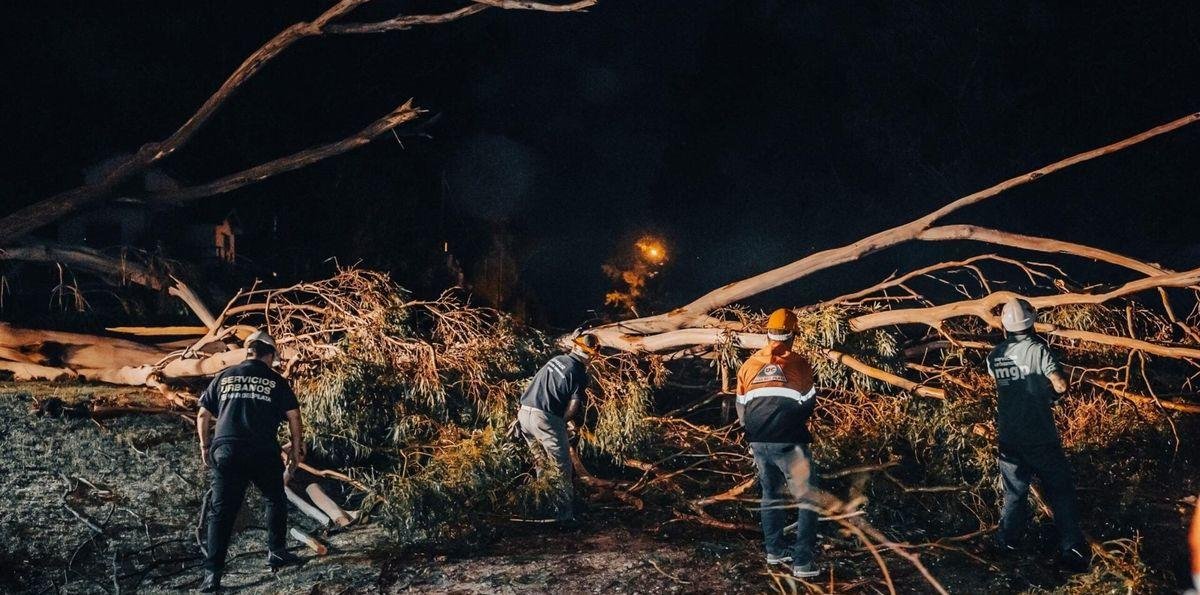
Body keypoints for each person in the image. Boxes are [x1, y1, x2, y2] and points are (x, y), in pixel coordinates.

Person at [196, 330, 305, 592]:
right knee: (274, 497)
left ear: (248, 353)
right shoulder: (276, 381)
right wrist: (296, 448)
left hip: (227, 450)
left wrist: (205, 445)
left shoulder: (223, 376)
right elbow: (294, 416)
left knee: (221, 513)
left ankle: (212, 576)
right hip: (262, 450)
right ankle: (277, 551)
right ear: (269, 356)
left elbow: (202, 415)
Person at [986, 298, 1088, 572]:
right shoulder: (1038, 350)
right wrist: (1054, 392)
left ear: (1005, 326)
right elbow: (1060, 384)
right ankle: (1072, 549)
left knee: (1014, 494)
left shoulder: (994, 356)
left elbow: (1006, 386)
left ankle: (1006, 545)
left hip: (1009, 438)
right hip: (1041, 437)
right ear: (1030, 323)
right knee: (1061, 491)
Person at [736, 308, 821, 579]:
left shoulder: (748, 365)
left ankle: (774, 551)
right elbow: (808, 403)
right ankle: (803, 563)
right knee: (807, 498)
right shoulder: (799, 364)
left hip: (758, 442)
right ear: (793, 335)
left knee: (770, 494)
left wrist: (756, 434)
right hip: (788, 442)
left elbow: (741, 409)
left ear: (768, 333)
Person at [516, 333, 597, 522]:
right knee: (561, 467)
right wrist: (562, 421)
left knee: (542, 464)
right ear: (591, 355)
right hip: (544, 418)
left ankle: (542, 507)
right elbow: (574, 406)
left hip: (524, 414)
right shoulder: (578, 373)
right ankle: (563, 516)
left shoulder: (556, 360)